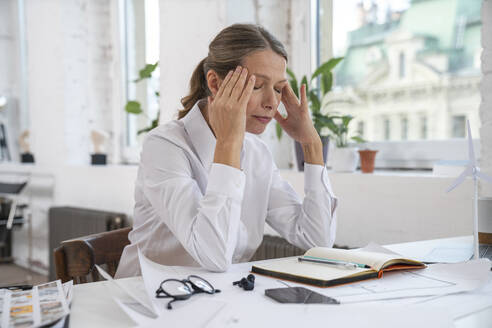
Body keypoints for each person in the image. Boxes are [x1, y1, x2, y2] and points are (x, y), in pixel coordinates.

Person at [115, 24, 338, 278]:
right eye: (257, 86)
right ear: (215, 82)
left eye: (277, 89)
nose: (271, 102)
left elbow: (317, 240)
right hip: (151, 299)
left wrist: (311, 144)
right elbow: (214, 256)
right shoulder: (165, 146)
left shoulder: (256, 153)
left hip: (215, 300)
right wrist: (228, 143)